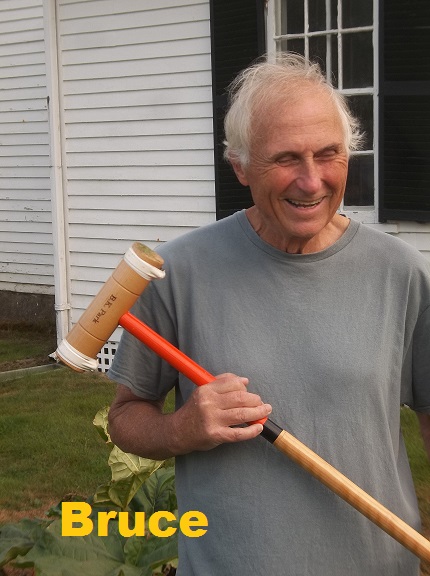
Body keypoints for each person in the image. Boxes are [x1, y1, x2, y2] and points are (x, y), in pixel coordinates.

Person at [107, 53, 430, 575]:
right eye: (286, 159)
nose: (312, 181)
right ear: (239, 166)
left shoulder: (402, 273)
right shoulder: (178, 274)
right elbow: (126, 417)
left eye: (328, 154)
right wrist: (183, 429)